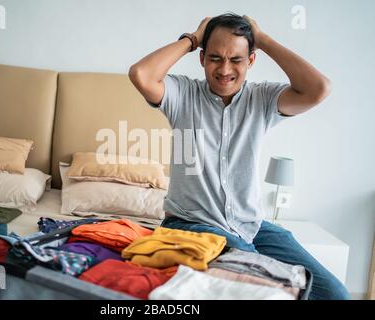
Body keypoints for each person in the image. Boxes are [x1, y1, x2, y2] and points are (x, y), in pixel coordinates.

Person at [128, 13, 350, 300]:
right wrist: (193, 39)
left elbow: (319, 88)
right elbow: (141, 74)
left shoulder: (263, 100)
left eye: (236, 59)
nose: (224, 69)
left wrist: (264, 40)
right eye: (215, 58)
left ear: (251, 61)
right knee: (273, 291)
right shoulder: (182, 94)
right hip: (193, 225)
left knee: (334, 294)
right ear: (202, 58)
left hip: (251, 227)